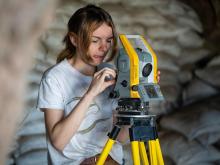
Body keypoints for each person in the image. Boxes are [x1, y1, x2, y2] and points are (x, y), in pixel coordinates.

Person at [37, 4, 128, 165]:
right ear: (74, 39)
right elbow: (58, 141)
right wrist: (91, 93)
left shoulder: (109, 71)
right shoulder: (54, 78)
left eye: (108, 40)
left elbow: (121, 137)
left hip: (112, 160)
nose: (103, 48)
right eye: (95, 40)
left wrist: (135, 93)